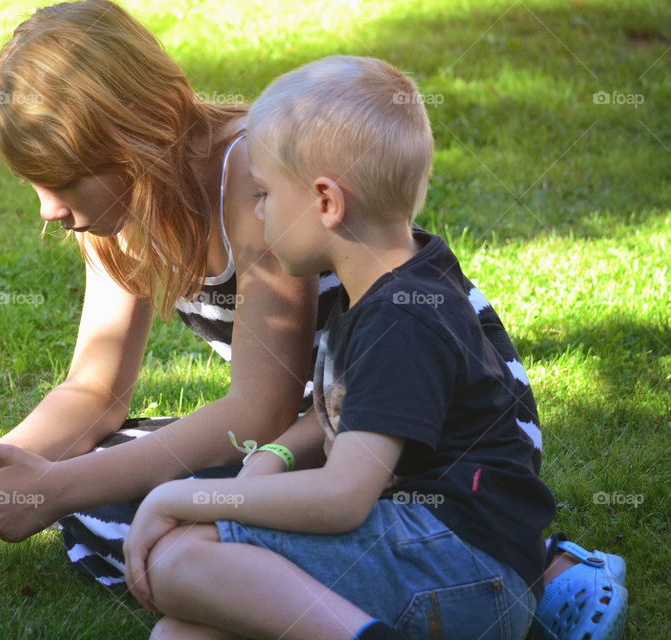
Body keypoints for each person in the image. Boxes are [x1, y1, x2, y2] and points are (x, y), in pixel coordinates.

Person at [0, 3, 627, 638]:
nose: (47, 209)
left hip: (411, 440)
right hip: (316, 432)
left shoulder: (265, 178)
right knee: (108, 500)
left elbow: (261, 405)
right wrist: (1, 468)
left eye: (61, 182)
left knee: (127, 514)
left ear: (130, 143)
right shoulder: (117, 213)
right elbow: (96, 392)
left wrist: (68, 488)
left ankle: (542, 568)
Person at [121, 56, 627, 640]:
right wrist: (271, 459)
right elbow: (346, 410)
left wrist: (187, 494)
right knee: (180, 634)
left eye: (262, 193)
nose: (255, 212)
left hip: (460, 568)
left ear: (326, 202)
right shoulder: (396, 285)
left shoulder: (400, 320)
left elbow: (344, 497)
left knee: (183, 560)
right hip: (443, 568)